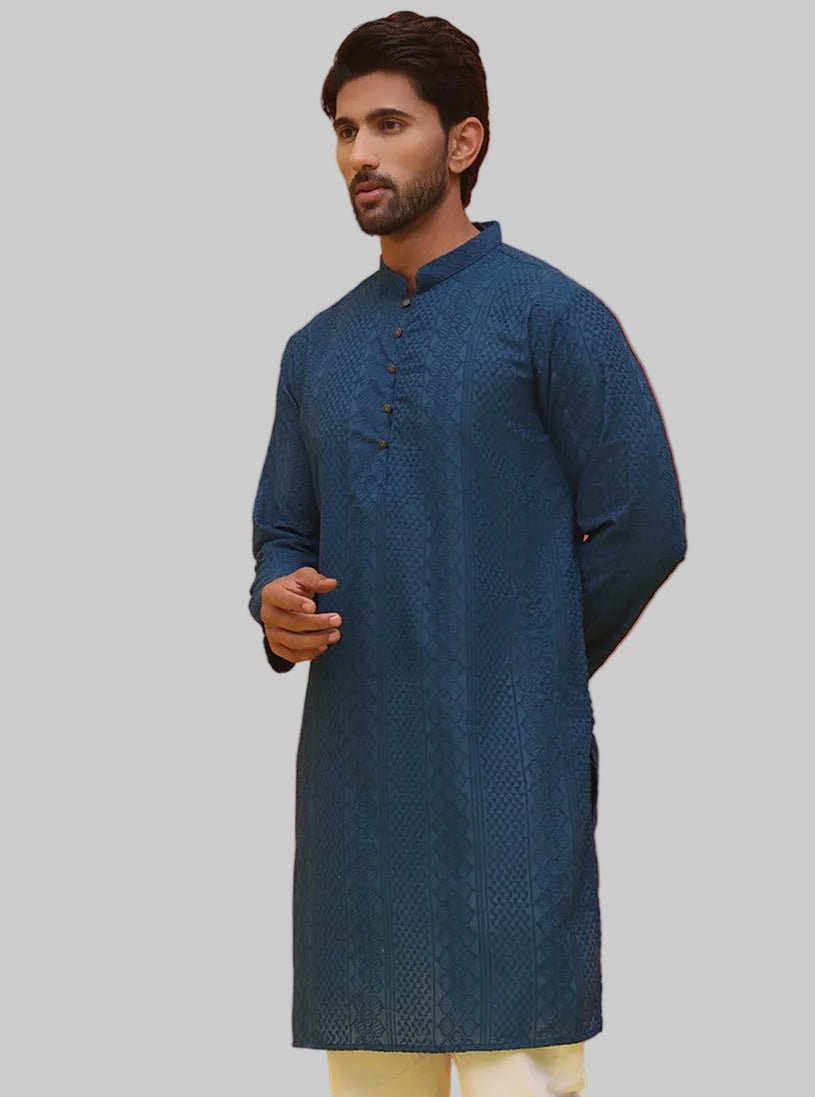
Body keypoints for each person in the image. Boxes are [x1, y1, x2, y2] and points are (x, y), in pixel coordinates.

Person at [248, 11, 687, 1096]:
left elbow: (645, 521)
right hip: (358, 814)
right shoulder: (315, 350)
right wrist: (274, 603)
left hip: (509, 797)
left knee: (521, 1073)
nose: (359, 153)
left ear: (462, 141)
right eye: (344, 130)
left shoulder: (550, 316)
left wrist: (524, 658)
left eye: (388, 124)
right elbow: (283, 531)